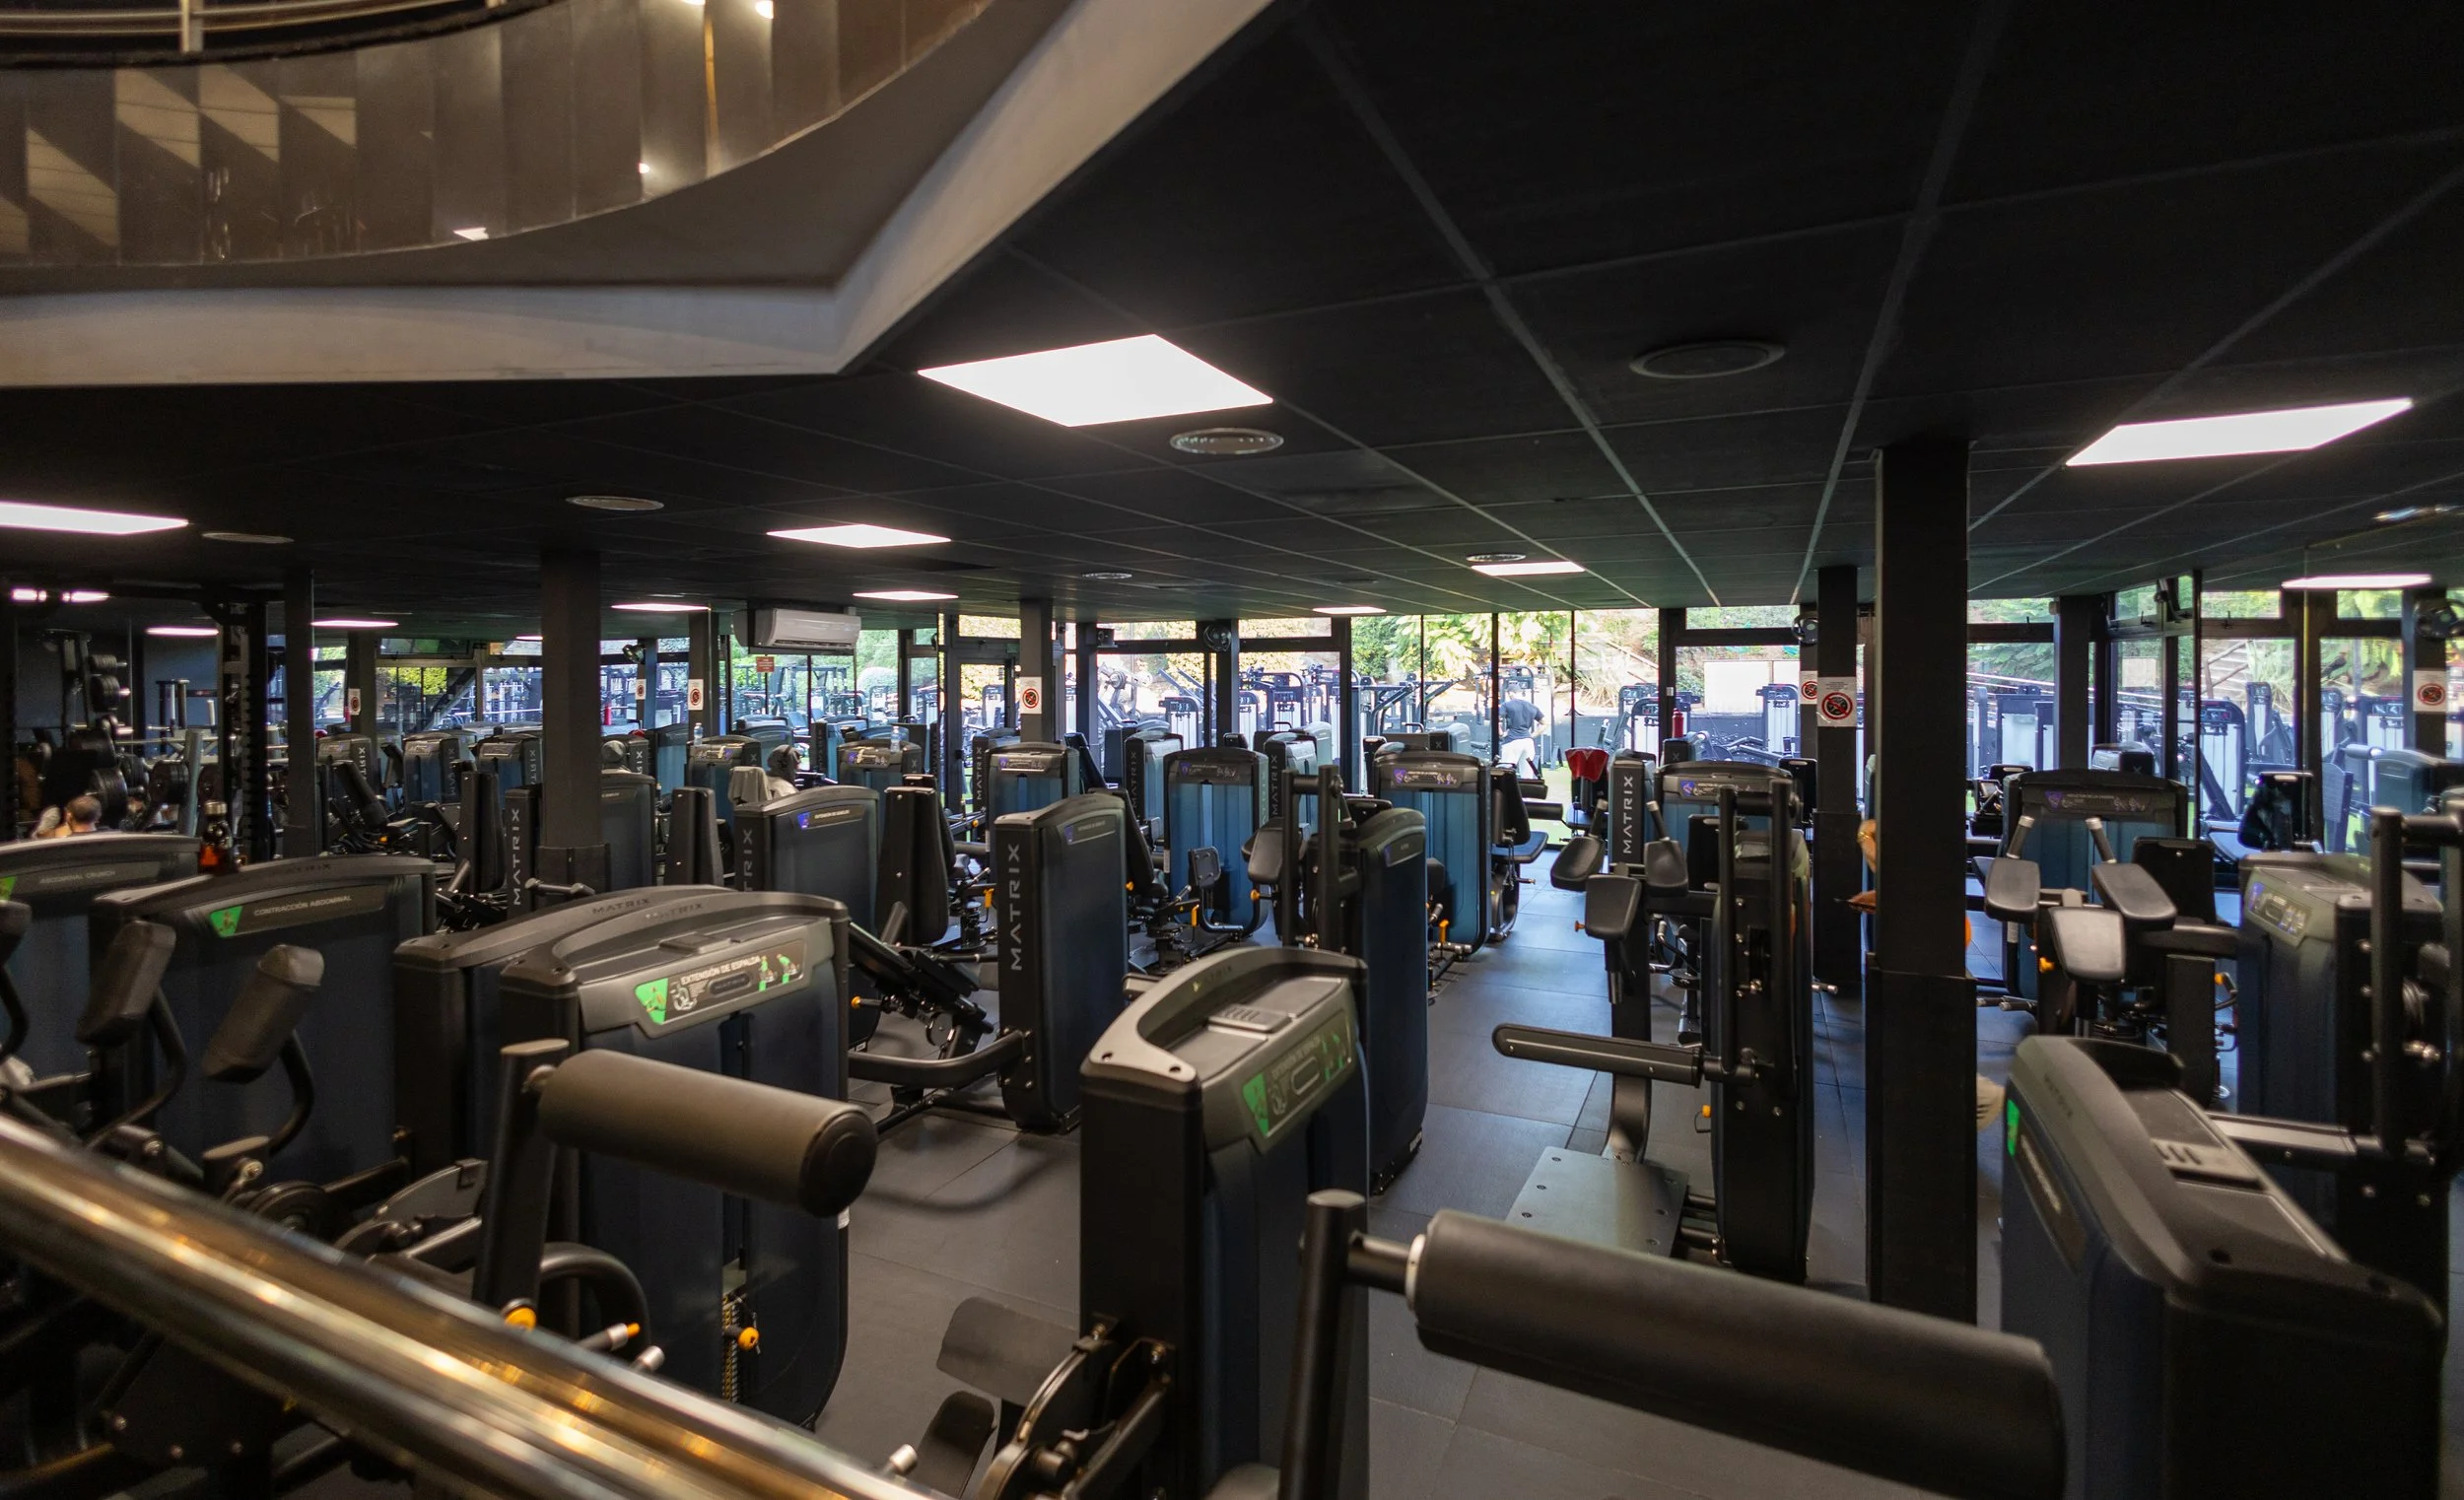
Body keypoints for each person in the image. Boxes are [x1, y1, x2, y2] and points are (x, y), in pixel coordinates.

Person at [1498, 695, 1542, 778]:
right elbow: (1545, 723)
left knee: (1506, 772)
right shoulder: (1532, 706)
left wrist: (1501, 734)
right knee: (1527, 775)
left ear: (1510, 693)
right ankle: (1527, 790)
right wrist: (1532, 735)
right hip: (1528, 742)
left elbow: (1495, 719)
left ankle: (1508, 791)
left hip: (1512, 741)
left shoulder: (1506, 705)